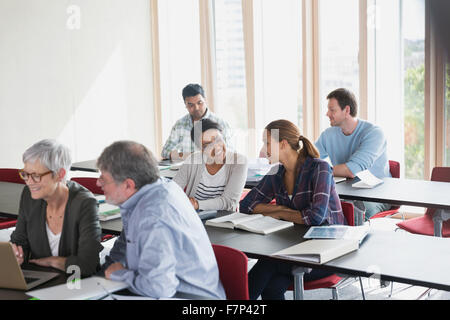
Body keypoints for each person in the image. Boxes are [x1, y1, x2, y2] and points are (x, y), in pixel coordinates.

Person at [98, 140, 225, 299]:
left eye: (104, 179)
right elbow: (124, 246)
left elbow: (158, 288)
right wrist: (98, 278)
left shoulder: (154, 213)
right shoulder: (151, 190)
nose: (98, 183)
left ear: (128, 185)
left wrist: (119, 274)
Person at [240, 120, 345, 300]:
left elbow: (316, 217)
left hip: (327, 252)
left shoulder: (320, 168)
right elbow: (246, 206)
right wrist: (282, 209)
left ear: (283, 144)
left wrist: (279, 211)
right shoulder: (277, 172)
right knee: (272, 286)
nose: (263, 149)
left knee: (268, 263)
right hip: (293, 247)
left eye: (266, 143)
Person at [10, 139, 102, 277]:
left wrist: (52, 261)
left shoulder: (85, 203)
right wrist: (17, 254)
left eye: (36, 176)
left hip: (76, 282)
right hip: (41, 278)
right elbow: (19, 241)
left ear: (60, 174)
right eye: (25, 174)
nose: (29, 182)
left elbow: (87, 265)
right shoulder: (28, 196)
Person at [315, 88, 391, 219]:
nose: (327, 114)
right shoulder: (328, 134)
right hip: (344, 191)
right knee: (316, 206)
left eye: (332, 110)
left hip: (376, 194)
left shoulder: (374, 133)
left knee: (353, 212)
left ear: (347, 110)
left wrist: (319, 170)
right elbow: (309, 159)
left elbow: (350, 170)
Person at [173, 118, 248, 212]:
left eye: (218, 139)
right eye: (207, 144)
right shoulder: (193, 160)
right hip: (194, 217)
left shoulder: (239, 161)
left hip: (224, 220)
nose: (216, 147)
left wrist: (196, 204)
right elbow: (173, 190)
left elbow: (229, 202)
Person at [161, 83, 233, 161]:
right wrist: (190, 156)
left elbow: (230, 152)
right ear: (185, 105)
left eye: (199, 103)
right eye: (191, 105)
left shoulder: (221, 123)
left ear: (205, 100)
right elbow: (165, 152)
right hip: (188, 170)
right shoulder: (179, 125)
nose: (196, 108)